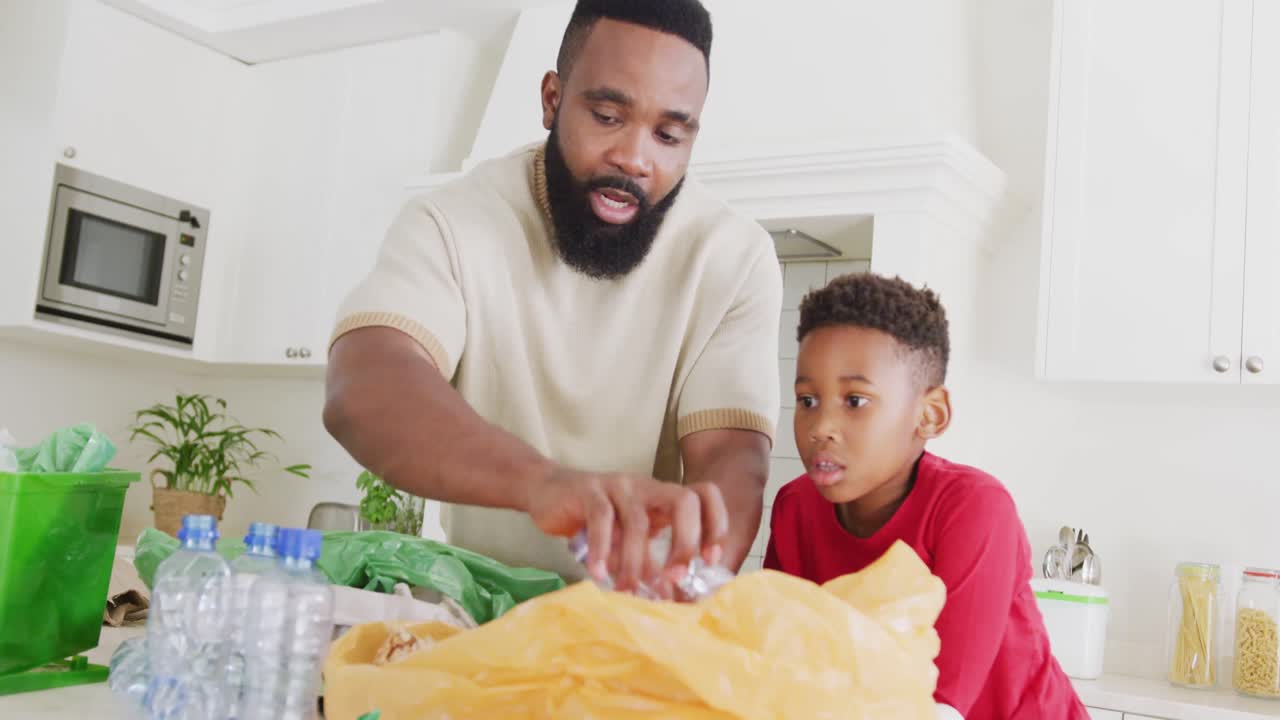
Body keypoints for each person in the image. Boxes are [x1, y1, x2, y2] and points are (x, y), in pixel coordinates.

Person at [323, 0, 781, 592]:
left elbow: (733, 458)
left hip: (633, 613)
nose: (636, 159)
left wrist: (691, 570)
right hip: (471, 611)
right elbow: (363, 386)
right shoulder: (454, 221)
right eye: (609, 116)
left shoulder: (734, 256)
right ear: (551, 99)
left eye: (669, 134)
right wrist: (542, 485)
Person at [764, 273, 1087, 719]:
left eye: (854, 401)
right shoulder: (794, 508)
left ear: (929, 415)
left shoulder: (974, 507)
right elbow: (778, 658)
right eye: (807, 400)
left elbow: (943, 705)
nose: (820, 427)